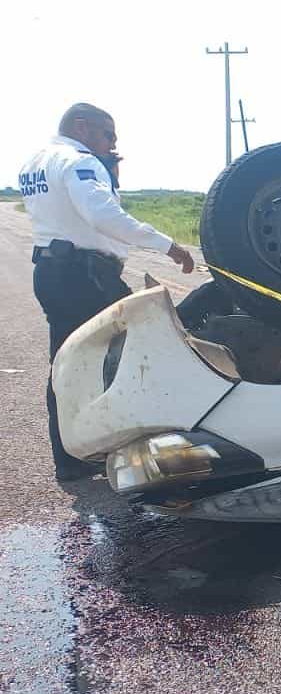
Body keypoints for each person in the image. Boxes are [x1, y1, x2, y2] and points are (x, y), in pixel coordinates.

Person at [18, 102, 196, 481]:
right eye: (108, 134)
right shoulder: (78, 161)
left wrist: (108, 171)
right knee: (137, 352)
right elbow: (101, 215)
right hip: (86, 275)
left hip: (51, 271)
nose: (112, 143)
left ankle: (70, 460)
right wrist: (168, 245)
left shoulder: (36, 162)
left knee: (66, 366)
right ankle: (142, 451)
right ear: (82, 127)